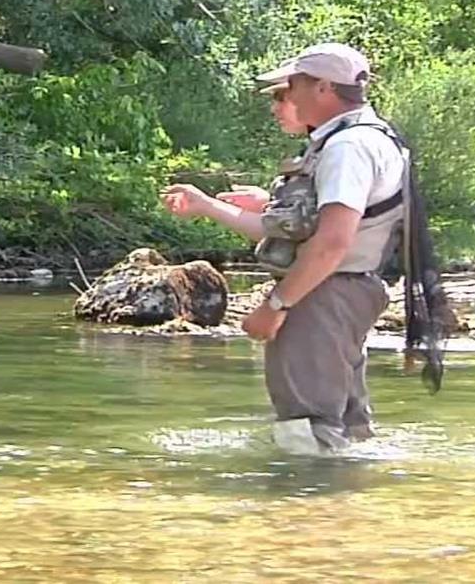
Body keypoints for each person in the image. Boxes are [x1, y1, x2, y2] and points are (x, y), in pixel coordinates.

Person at [161, 43, 409, 455]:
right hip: (348, 292)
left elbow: (332, 242)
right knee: (348, 427)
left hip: (324, 293)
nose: (287, 96)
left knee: (307, 427)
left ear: (325, 88)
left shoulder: (348, 148)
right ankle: (353, 511)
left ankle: (302, 512)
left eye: (292, 86)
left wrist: (275, 306)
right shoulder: (368, 136)